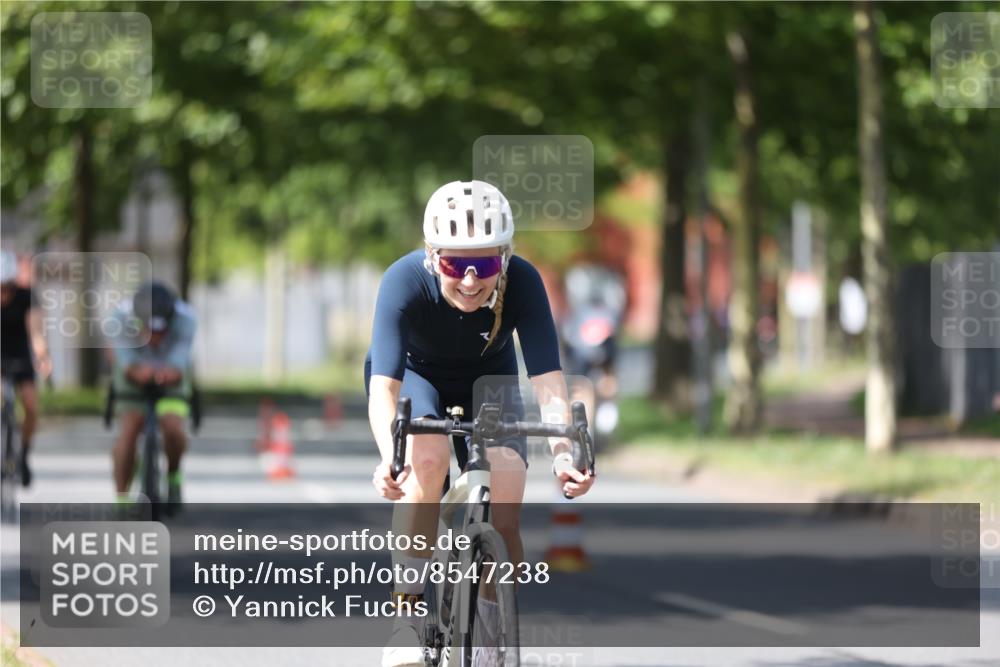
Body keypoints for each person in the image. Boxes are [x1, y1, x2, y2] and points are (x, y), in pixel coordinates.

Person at [366, 180, 595, 667]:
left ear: (505, 258)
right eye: (454, 264)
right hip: (415, 375)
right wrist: (391, 456)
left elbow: (548, 382)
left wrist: (562, 455)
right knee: (424, 461)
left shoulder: (525, 282)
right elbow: (382, 389)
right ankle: (407, 616)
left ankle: (492, 635)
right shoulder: (402, 280)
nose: (470, 280)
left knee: (506, 494)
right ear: (432, 256)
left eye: (486, 264)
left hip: (488, 379)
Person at [108, 281, 196, 512]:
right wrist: (137, 371)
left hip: (171, 376)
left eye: (160, 331)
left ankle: (174, 476)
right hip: (133, 376)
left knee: (173, 428)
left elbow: (180, 361)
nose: (155, 337)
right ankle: (122, 498)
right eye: (149, 330)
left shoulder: (186, 319)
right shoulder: (119, 320)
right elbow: (124, 361)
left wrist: (170, 372)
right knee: (128, 432)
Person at [0, 250, 52, 486]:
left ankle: (24, 453)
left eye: (6, 288)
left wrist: (42, 357)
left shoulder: (27, 297)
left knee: (31, 406)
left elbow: (36, 334)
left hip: (20, 354)